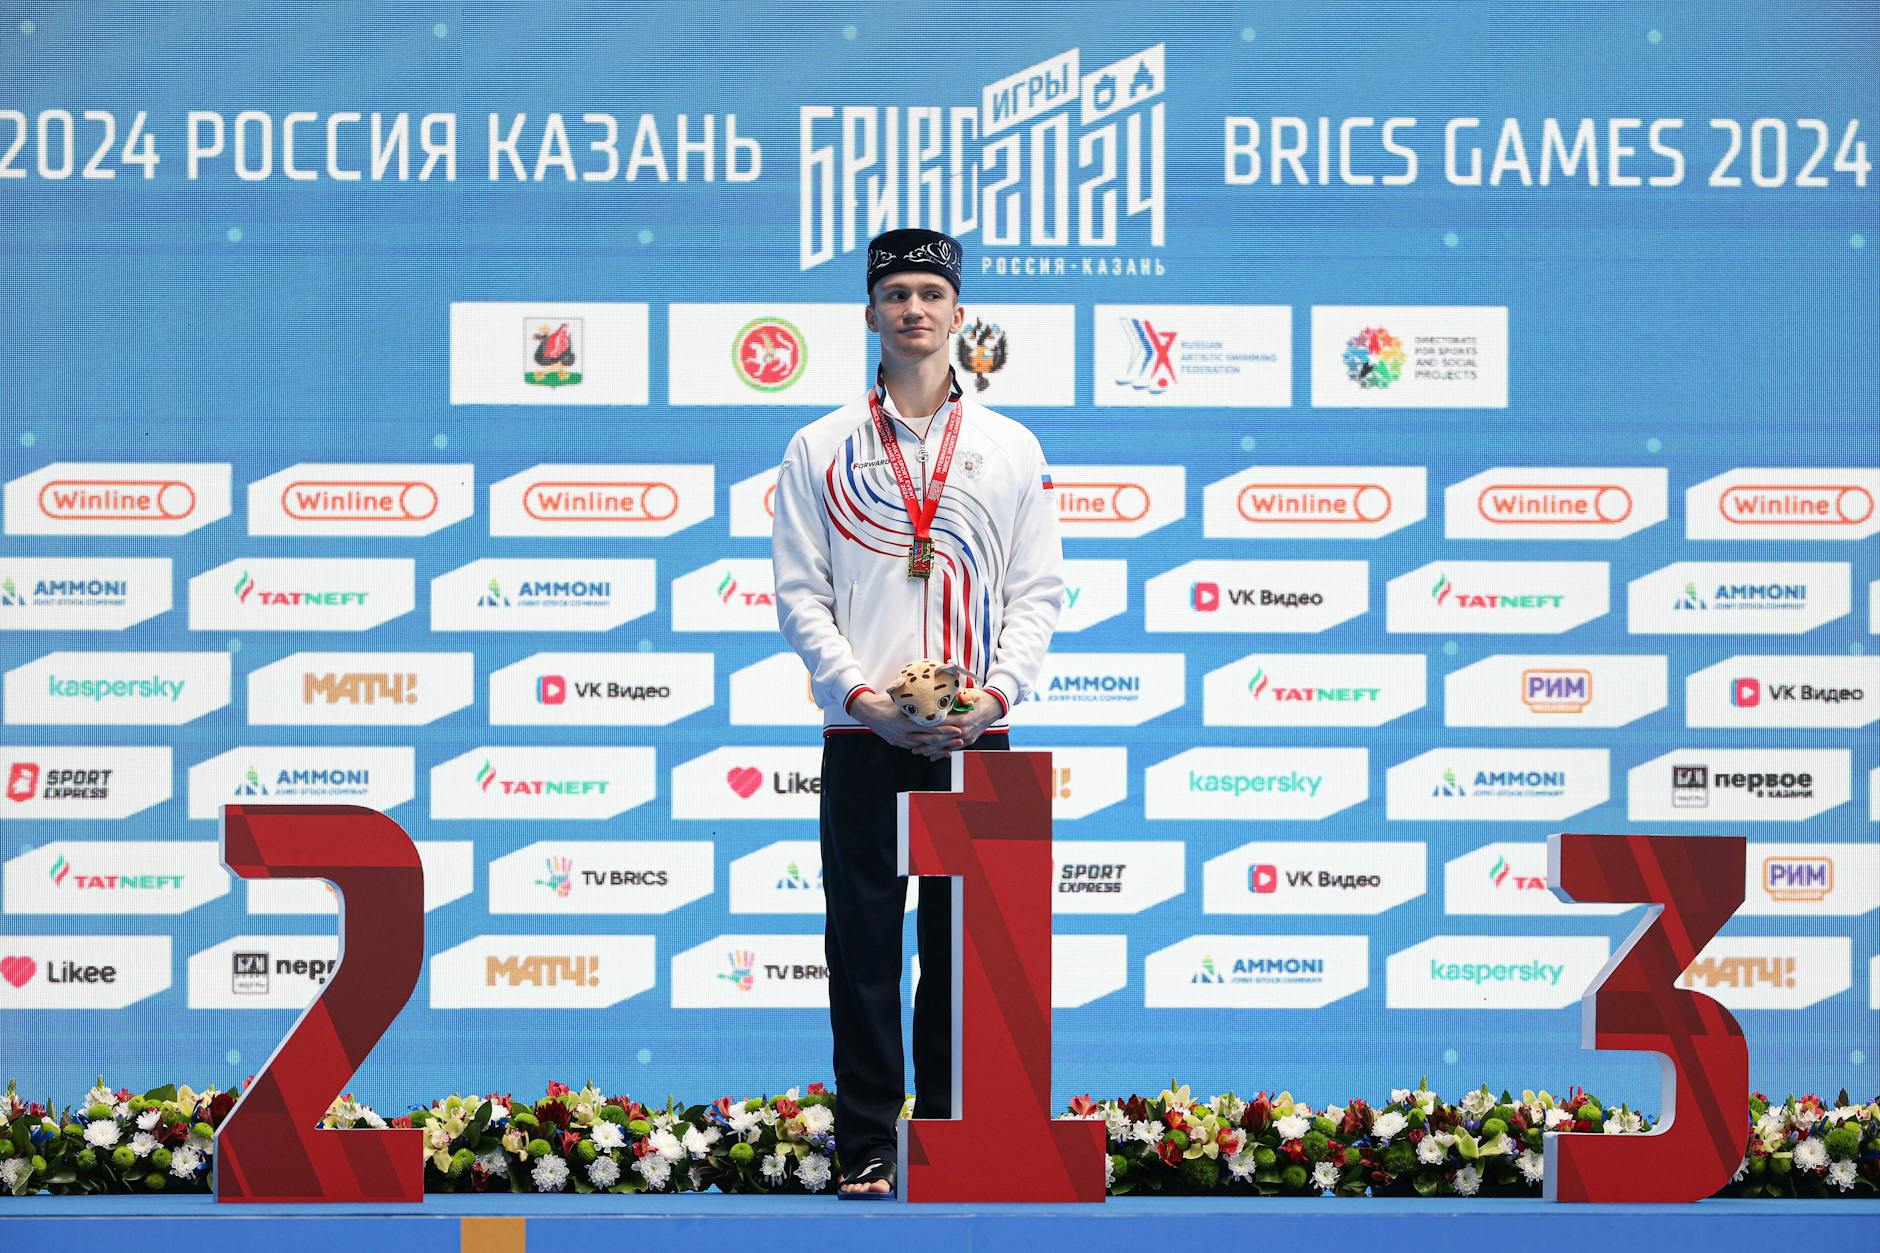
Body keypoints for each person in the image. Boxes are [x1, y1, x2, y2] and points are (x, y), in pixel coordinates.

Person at [771, 227, 1064, 1197]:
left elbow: (1037, 592)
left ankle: (951, 1133)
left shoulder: (1010, 447)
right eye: (895, 294)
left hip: (979, 735)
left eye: (930, 294)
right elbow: (799, 594)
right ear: (869, 313)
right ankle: (867, 1141)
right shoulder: (820, 446)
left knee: (963, 954)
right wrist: (861, 697)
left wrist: (994, 697)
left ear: (957, 314)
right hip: (863, 734)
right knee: (861, 946)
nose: (913, 310)